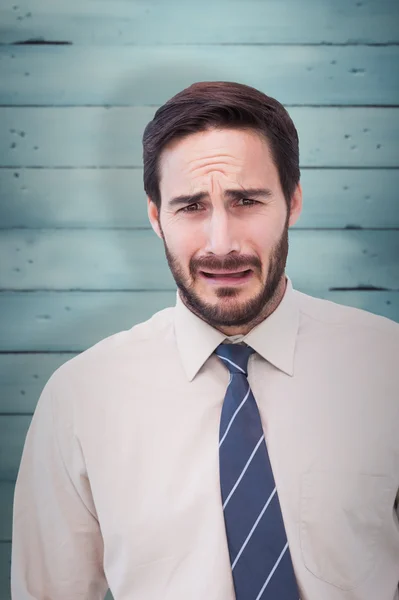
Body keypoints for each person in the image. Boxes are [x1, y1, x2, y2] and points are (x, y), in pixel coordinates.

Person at [11, 81, 399, 600]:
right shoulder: (80, 400)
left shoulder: (387, 369)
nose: (222, 244)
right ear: (156, 218)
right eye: (191, 206)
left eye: (246, 200)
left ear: (294, 201)